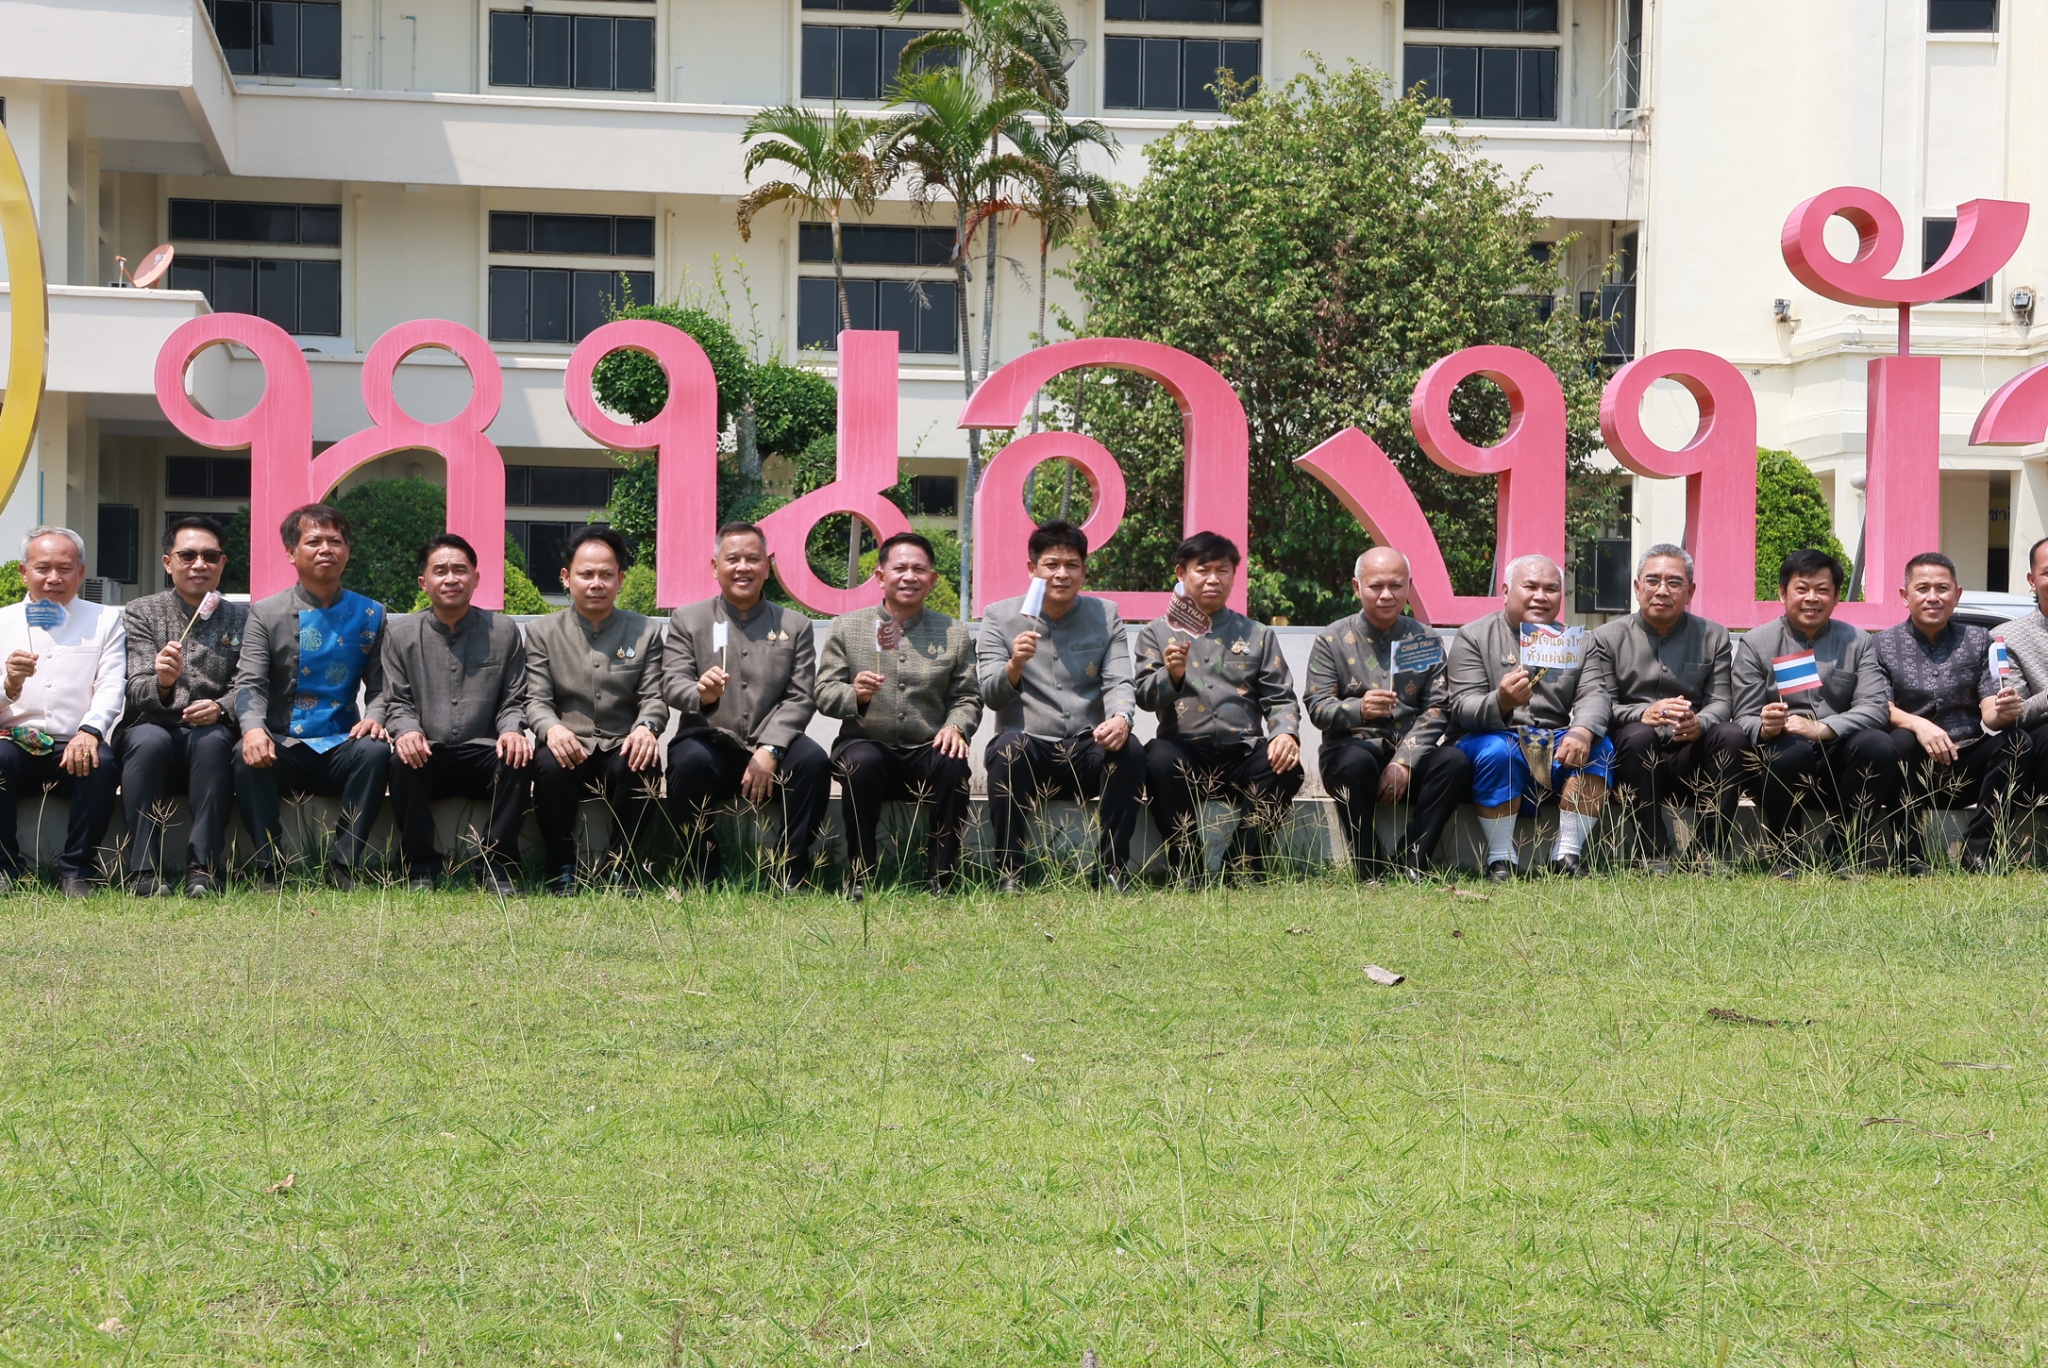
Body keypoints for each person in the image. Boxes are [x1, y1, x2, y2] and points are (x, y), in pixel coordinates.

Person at [977, 519, 1144, 892]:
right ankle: (1010, 872)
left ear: (1085, 570)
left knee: (1130, 748)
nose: (1062, 574)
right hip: (1029, 748)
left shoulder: (1105, 615)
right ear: (1032, 569)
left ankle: (1112, 869)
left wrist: (1121, 717)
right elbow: (989, 693)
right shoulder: (1000, 617)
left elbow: (1119, 678)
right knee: (1007, 749)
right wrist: (1015, 665)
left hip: (1087, 745)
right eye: (1051, 565)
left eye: (1072, 565)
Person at [232, 503, 392, 890]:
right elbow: (248, 683)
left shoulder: (371, 614)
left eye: (335, 541)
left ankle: (344, 863)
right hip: (282, 741)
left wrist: (375, 716)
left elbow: (383, 686)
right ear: (291, 552)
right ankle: (271, 866)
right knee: (243, 754)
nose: (326, 549)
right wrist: (253, 730)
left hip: (340, 741)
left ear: (348, 551)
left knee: (374, 750)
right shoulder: (265, 613)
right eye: (314, 541)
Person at [662, 522, 829, 888]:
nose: (743, 567)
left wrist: (771, 747)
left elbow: (801, 696)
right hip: (710, 742)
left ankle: (792, 870)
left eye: (753, 559)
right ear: (714, 566)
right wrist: (699, 693)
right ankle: (702, 868)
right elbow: (672, 683)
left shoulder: (795, 625)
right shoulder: (687, 620)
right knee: (686, 763)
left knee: (815, 762)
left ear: (767, 566)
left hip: (773, 743)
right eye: (732, 559)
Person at [816, 532, 980, 899]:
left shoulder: (954, 632)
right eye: (900, 568)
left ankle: (942, 875)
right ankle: (860, 875)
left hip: (926, 747)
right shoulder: (847, 627)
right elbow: (824, 693)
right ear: (880, 576)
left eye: (919, 569)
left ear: (932, 579)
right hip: (866, 743)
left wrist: (956, 726)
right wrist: (854, 696)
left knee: (953, 764)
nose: (909, 577)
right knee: (862, 761)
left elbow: (968, 696)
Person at [1133, 531, 1301, 883]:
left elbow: (1280, 696)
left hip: (1242, 752)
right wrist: (1172, 675)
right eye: (1202, 569)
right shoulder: (1157, 633)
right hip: (1185, 752)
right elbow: (1145, 696)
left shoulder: (1257, 633)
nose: (1213, 579)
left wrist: (1285, 733)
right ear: (1181, 573)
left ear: (1234, 575)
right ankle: (1187, 864)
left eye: (1222, 571)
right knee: (1156, 758)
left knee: (1286, 767)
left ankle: (1242, 862)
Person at [1305, 546, 1470, 882]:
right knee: (1355, 763)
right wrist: (1358, 709)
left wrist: (1405, 759)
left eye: (1396, 586)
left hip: (1410, 752)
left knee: (1455, 763)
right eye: (1375, 586)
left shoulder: (1425, 639)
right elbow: (1317, 707)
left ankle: (1412, 859)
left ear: (1408, 587)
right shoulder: (1331, 639)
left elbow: (1439, 707)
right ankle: (1370, 867)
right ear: (1356, 587)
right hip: (1351, 751)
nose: (1386, 595)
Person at [1445, 553, 1611, 881]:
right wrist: (1501, 701)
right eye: (1530, 586)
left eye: (1550, 589)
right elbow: (1462, 706)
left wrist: (1582, 730)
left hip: (1555, 735)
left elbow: (1596, 694)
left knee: (1600, 748)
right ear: (1506, 591)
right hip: (1491, 735)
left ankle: (1566, 853)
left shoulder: (1579, 641)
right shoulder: (1473, 636)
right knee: (1498, 752)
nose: (1540, 596)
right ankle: (1500, 858)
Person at [380, 534, 532, 894]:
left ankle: (496, 864)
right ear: (424, 582)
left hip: (484, 753)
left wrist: (512, 730)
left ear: (476, 578)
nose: (451, 578)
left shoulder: (503, 631)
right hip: (427, 753)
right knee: (401, 762)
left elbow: (514, 699)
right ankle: (421, 866)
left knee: (520, 758)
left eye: (461, 570)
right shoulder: (400, 634)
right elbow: (396, 701)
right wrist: (406, 732)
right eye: (441, 570)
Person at [1732, 547, 1896, 877]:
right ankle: (1785, 852)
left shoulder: (1858, 642)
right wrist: (1766, 725)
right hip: (1781, 753)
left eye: (1822, 590)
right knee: (1788, 751)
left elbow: (1875, 706)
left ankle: (1847, 848)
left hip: (1837, 750)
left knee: (1878, 744)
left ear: (1836, 598)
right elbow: (1742, 717)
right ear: (1782, 592)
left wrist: (1823, 728)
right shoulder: (1756, 643)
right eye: (1802, 588)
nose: (1812, 598)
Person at [1581, 544, 1746, 873]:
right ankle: (1653, 851)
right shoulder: (1606, 637)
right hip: (1634, 763)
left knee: (1731, 734)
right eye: (1652, 581)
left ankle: (1707, 851)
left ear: (1690, 591)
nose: (1662, 591)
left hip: (1691, 756)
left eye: (1674, 583)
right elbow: (1601, 703)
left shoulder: (1713, 635)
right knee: (1637, 734)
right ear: (1637, 587)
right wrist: (1642, 714)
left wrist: (1701, 722)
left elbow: (1723, 701)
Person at [523, 525, 667, 896]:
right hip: (570, 744)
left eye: (606, 574)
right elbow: (536, 699)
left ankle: (622, 866)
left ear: (620, 579)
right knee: (549, 765)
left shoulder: (645, 631)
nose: (596, 583)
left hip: (621, 743)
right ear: (566, 578)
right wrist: (552, 729)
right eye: (586, 574)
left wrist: (647, 727)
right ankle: (561, 866)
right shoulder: (543, 632)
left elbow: (654, 696)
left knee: (645, 760)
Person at [115, 515, 248, 897]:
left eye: (210, 556)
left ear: (223, 563)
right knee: (149, 741)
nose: (199, 564)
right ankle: (143, 871)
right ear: (167, 562)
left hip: (208, 729)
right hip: (151, 725)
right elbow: (135, 688)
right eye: (187, 555)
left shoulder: (244, 616)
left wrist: (221, 708)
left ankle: (202, 869)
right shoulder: (142, 612)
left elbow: (250, 684)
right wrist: (163, 682)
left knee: (213, 742)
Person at [1873, 551, 2017, 874]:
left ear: (1957, 595)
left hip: (1966, 759)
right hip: (1913, 767)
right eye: (1922, 589)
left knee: (2016, 741)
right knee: (1898, 740)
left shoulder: (1979, 640)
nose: (1933, 597)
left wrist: (2004, 709)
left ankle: (1978, 851)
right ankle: (1908, 854)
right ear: (1904, 596)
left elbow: (1988, 708)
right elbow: (1877, 706)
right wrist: (1918, 725)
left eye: (1942, 588)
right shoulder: (1881, 645)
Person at [0, 527, 125, 896]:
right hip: (15, 741)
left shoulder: (104, 620)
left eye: (65, 568)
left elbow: (111, 685)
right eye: (43, 568)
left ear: (81, 573)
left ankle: (77, 869)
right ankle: (6, 867)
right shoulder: (3, 621)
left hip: (74, 741)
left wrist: (91, 730)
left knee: (101, 763)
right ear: (24, 572)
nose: (54, 578)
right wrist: (9, 686)